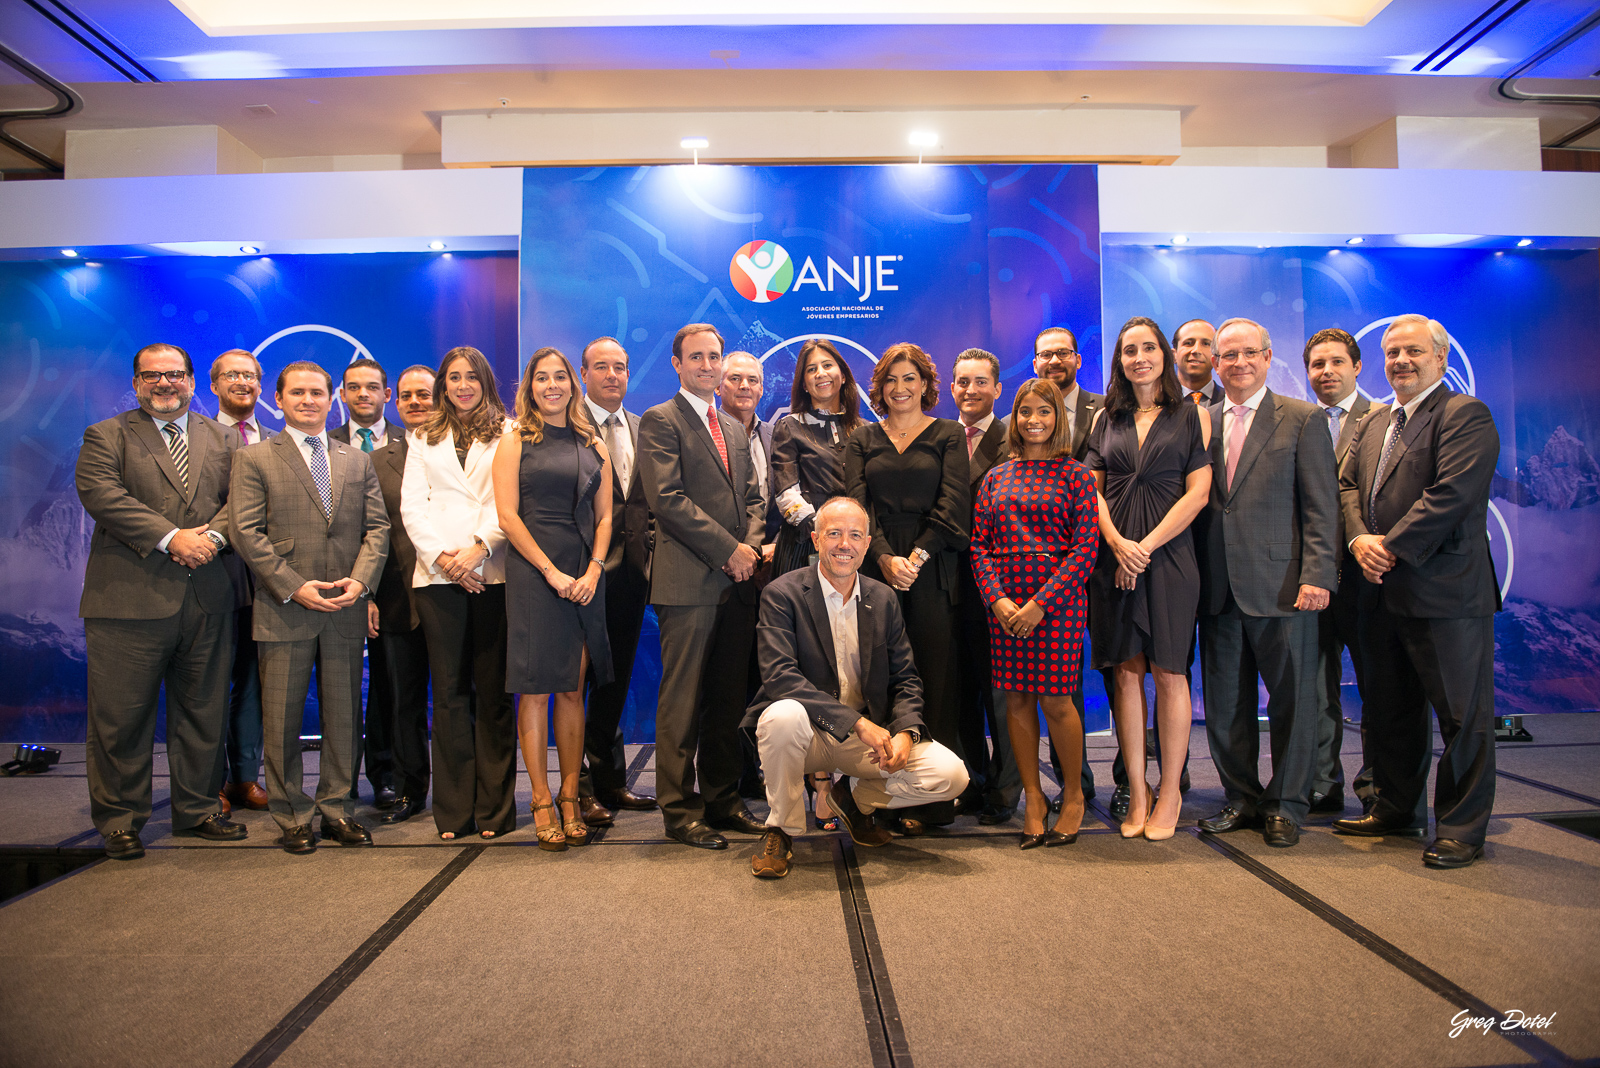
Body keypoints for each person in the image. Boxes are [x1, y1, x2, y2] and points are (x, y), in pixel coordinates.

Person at [1334, 314, 1501, 869]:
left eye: (1413, 352)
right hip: (1379, 591)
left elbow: (1451, 495)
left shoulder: (1464, 415)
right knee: (1390, 711)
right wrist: (1359, 539)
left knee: (1461, 718)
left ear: (1441, 358)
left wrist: (1389, 548)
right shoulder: (1378, 421)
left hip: (1445, 592)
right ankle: (1396, 808)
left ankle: (1460, 828)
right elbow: (1348, 484)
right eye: (1392, 353)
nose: (1401, 362)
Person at [77, 342, 248, 860]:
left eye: (174, 374)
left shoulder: (223, 437)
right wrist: (174, 537)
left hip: (209, 596)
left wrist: (214, 540)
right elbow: (102, 495)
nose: (164, 383)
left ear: (193, 382)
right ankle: (120, 820)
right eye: (152, 376)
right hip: (128, 602)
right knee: (121, 718)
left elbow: (241, 501)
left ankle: (197, 809)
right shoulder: (106, 436)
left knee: (203, 712)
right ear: (136, 384)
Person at [744, 497, 969, 878]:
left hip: (864, 742)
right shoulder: (781, 594)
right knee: (780, 715)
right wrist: (856, 723)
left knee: (951, 774)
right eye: (834, 533)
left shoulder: (883, 598)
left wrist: (906, 734)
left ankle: (853, 801)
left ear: (867, 545)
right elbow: (780, 676)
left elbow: (906, 679)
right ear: (815, 540)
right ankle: (780, 828)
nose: (844, 544)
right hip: (807, 733)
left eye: (854, 535)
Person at [230, 360, 389, 855]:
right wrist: (292, 586)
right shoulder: (254, 458)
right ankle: (292, 815)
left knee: (344, 717)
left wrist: (361, 584)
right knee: (280, 720)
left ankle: (338, 809)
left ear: (332, 397)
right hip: (284, 608)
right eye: (297, 392)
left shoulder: (356, 460)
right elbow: (245, 532)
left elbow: (377, 529)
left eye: (317, 392)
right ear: (277, 399)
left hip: (343, 607)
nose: (308, 400)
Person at [1192, 318, 1338, 849]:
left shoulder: (1301, 419)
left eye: (1249, 353)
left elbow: (1322, 508)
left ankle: (1287, 803)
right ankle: (1242, 797)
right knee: (1225, 704)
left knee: (1295, 702)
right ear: (1214, 364)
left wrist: (1318, 575)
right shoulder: (1200, 420)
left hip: (1285, 586)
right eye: (1227, 356)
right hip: (1218, 588)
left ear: (1268, 356)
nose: (1239, 364)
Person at [638, 323, 767, 849]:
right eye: (697, 358)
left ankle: (722, 800)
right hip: (688, 583)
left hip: (736, 585)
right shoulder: (660, 421)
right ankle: (678, 808)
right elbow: (667, 500)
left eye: (714, 357)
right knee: (681, 703)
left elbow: (755, 498)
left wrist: (751, 551)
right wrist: (729, 552)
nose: (708, 366)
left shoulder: (734, 427)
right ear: (677, 363)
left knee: (726, 701)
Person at [1086, 317, 1211, 841]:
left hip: (1170, 557)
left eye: (1148, 348)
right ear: (1119, 360)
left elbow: (1199, 493)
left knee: (1169, 674)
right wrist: (1117, 544)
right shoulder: (1104, 419)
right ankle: (1137, 789)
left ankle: (1171, 790)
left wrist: (1146, 547)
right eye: (1128, 350)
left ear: (1164, 354)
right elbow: (1089, 490)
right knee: (1126, 674)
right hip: (1113, 558)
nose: (1140, 357)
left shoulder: (1192, 415)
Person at [845, 341, 970, 835]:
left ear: (925, 385)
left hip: (931, 569)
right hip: (874, 570)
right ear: (880, 387)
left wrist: (913, 558)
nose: (900, 388)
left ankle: (933, 800)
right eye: (891, 380)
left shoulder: (948, 434)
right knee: (881, 681)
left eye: (910, 379)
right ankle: (882, 795)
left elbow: (954, 505)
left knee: (933, 678)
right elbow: (856, 507)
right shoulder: (862, 439)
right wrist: (882, 558)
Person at [496, 346, 615, 851]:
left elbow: (607, 517)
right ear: (529, 386)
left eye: (560, 376)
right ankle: (540, 799)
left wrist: (591, 570)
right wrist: (550, 572)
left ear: (574, 382)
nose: (552, 385)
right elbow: (507, 517)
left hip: (586, 576)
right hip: (533, 574)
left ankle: (570, 795)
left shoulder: (595, 442)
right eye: (541, 378)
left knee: (572, 687)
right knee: (537, 689)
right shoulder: (515, 438)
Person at [972, 379, 1099, 848]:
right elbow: (980, 546)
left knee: (1057, 702)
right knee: (1017, 701)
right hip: (1004, 606)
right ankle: (1033, 798)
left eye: (1044, 411)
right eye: (1025, 412)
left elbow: (1086, 548)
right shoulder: (996, 476)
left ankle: (1072, 797)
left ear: (1058, 418)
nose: (1034, 420)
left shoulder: (1077, 476)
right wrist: (1000, 601)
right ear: (1015, 418)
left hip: (1056, 606)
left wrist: (1039, 604)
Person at [400, 346, 515, 841]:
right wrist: (447, 559)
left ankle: (494, 812)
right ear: (443, 385)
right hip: (439, 578)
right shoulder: (423, 436)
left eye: (471, 377)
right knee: (447, 697)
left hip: (495, 573)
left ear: (485, 381)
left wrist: (479, 549)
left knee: (493, 696)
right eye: (453, 378)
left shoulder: (510, 432)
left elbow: (512, 502)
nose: (462, 385)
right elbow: (412, 507)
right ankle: (453, 813)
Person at [770, 339, 867, 829]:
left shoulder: (864, 429)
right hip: (806, 552)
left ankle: (850, 784)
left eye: (828, 366)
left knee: (852, 667)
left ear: (843, 375)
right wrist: (828, 538)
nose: (820, 375)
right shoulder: (787, 426)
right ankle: (817, 790)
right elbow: (785, 492)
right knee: (811, 668)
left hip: (854, 558)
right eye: (811, 370)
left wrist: (851, 543)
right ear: (802, 380)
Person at [1303, 328, 1385, 814]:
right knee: (1316, 688)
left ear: (1357, 367)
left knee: (1379, 687)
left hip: (1368, 577)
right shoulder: (1299, 418)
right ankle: (1321, 782)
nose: (1326, 371)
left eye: (1336, 362)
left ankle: (1377, 785)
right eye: (1317, 364)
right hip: (1313, 576)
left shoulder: (1383, 419)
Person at [576, 336, 657, 825]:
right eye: (601, 367)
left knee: (615, 681)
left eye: (620, 368)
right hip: (579, 575)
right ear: (583, 373)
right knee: (578, 682)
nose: (612, 375)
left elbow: (646, 501)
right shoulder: (565, 424)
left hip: (631, 575)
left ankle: (610, 781)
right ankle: (579, 788)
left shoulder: (642, 426)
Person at [949, 347, 1021, 825]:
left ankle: (1006, 789)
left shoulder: (1015, 436)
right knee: (959, 698)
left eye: (980, 382)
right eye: (962, 381)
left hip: (999, 589)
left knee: (1003, 696)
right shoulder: (940, 437)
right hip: (948, 586)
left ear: (997, 388)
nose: (970, 390)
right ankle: (971, 780)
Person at [330, 358, 399, 807]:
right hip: (334, 584)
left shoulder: (415, 442)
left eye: (372, 387)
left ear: (385, 394)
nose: (363, 395)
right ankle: (338, 782)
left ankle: (386, 774)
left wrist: (374, 587)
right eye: (353, 387)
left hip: (395, 585)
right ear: (342, 394)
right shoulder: (322, 444)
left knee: (387, 688)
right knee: (339, 691)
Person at [371, 365, 436, 826]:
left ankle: (464, 787)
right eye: (408, 396)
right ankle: (410, 790)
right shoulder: (376, 461)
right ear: (397, 402)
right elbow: (367, 533)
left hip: (459, 590)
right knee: (403, 701)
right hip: (396, 598)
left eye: (425, 395)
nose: (416, 403)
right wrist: (366, 595)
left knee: (460, 698)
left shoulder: (466, 449)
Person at [208, 347, 269, 815]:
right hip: (212, 574)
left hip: (264, 580)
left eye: (250, 376)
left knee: (251, 682)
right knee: (208, 685)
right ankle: (209, 786)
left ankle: (246, 777)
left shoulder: (273, 442)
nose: (242, 383)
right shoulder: (197, 439)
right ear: (213, 386)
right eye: (232, 375)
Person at [1173, 319, 1223, 406]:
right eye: (1188, 343)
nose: (1196, 350)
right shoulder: (1155, 401)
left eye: (1206, 344)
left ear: (1217, 356)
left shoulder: (1232, 402)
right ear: (1174, 355)